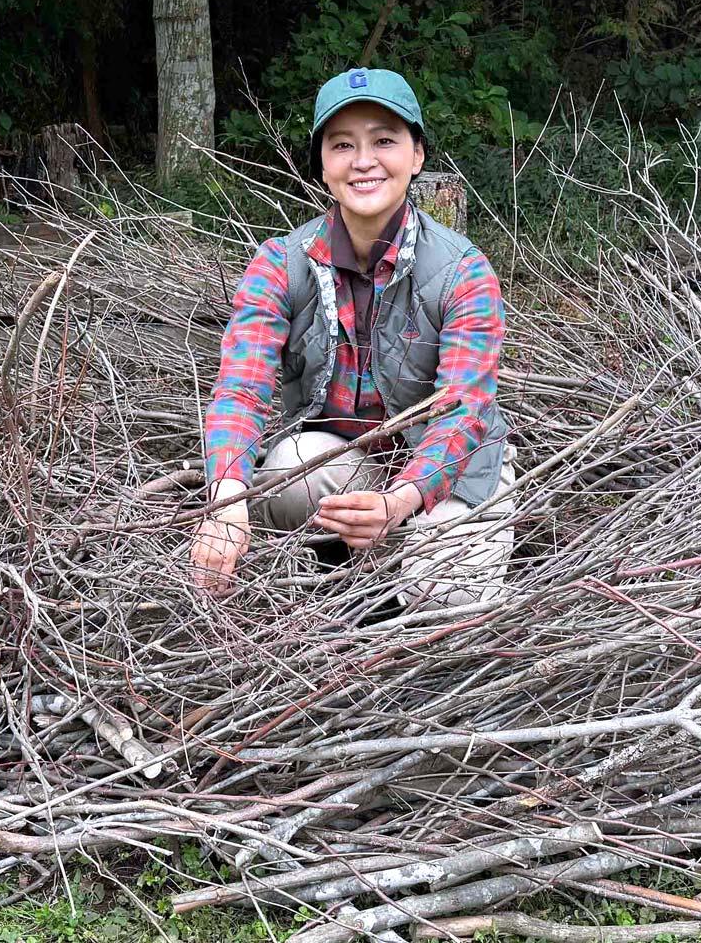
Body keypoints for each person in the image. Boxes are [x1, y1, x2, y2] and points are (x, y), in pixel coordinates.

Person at [188, 67, 515, 608]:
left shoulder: (463, 271)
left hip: (449, 469)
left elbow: (463, 413)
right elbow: (241, 389)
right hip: (347, 456)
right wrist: (224, 499)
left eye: (384, 140)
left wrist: (401, 501)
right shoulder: (279, 265)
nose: (363, 161)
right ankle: (363, 565)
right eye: (343, 145)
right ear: (323, 166)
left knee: (443, 593)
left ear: (417, 156)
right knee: (288, 471)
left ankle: (414, 561)